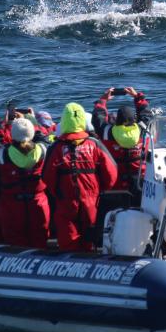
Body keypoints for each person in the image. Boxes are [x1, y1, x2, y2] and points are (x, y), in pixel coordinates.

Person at [42, 102, 118, 252]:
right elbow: (111, 172)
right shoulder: (94, 144)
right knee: (90, 239)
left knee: (68, 240)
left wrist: (58, 194)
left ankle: (70, 262)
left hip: (66, 201)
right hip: (91, 200)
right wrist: (99, 189)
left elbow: (46, 177)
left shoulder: (56, 147)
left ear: (64, 121)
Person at [0, 118, 50, 249]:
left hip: (12, 206)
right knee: (40, 240)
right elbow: (44, 140)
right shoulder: (43, 151)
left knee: (14, 244)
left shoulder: (2, 153)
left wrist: (0, 127)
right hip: (37, 204)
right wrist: (32, 121)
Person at [91, 87, 152, 204]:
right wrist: (138, 97)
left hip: (115, 186)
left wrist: (102, 100)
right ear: (134, 119)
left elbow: (98, 118)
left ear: (117, 120)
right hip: (140, 184)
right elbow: (146, 115)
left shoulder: (107, 132)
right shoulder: (143, 131)